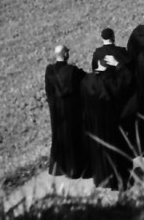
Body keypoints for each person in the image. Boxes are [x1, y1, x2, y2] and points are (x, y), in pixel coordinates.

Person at [80, 55, 134, 189]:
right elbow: (128, 81)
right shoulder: (110, 83)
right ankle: (117, 181)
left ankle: (101, 179)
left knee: (98, 152)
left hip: (93, 123)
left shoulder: (86, 81)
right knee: (114, 151)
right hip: (110, 123)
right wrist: (119, 65)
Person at [44, 45, 86, 179]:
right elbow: (84, 83)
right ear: (66, 55)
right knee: (73, 138)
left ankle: (57, 168)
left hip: (56, 110)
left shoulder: (49, 71)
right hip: (71, 110)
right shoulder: (73, 71)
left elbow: (48, 90)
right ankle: (73, 169)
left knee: (58, 137)